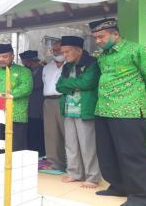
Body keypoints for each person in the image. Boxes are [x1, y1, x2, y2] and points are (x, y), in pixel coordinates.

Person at [89, 18, 146, 206]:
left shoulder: (138, 51)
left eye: (101, 36)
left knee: (133, 155)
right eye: (95, 37)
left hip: (128, 111)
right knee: (107, 153)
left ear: (115, 33)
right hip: (103, 109)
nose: (98, 41)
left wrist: (140, 99)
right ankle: (118, 186)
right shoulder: (102, 56)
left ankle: (140, 197)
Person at [56, 36, 101, 188]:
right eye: (63, 52)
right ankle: (75, 174)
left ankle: (92, 177)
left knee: (88, 145)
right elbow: (58, 86)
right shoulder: (67, 66)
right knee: (71, 144)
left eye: (67, 52)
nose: (64, 55)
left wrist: (70, 84)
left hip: (85, 109)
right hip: (69, 109)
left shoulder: (92, 63)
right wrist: (75, 85)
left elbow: (87, 83)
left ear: (79, 50)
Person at [0, 44, 33, 154]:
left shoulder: (24, 71)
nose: (1, 59)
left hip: (16, 114)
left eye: (5, 57)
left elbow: (26, 88)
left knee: (16, 146)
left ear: (12, 56)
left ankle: (16, 169)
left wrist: (7, 95)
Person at [41, 40, 66, 173]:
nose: (56, 52)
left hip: (64, 99)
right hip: (48, 102)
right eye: (54, 50)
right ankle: (54, 164)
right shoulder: (47, 67)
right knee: (51, 133)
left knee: (67, 132)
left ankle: (73, 164)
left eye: (59, 50)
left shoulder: (70, 65)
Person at [19, 50, 46, 156]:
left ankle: (40, 152)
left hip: (38, 105)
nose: (24, 64)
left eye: (25, 62)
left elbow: (36, 85)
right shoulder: (25, 71)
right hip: (26, 106)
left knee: (38, 130)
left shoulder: (43, 70)